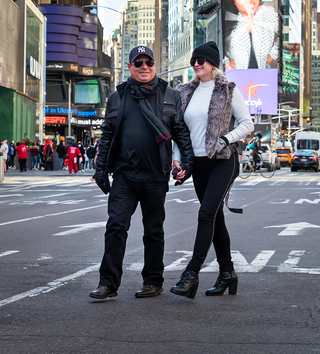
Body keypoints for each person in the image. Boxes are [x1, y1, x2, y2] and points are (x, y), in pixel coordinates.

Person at [89, 46, 194, 300]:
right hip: (124, 175)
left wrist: (187, 163)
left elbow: (180, 131)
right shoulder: (117, 97)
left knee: (154, 230)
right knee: (115, 226)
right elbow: (107, 135)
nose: (144, 66)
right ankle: (108, 283)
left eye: (149, 62)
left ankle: (153, 281)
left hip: (155, 174)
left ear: (155, 65)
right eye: (138, 62)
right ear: (130, 67)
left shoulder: (170, 95)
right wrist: (100, 170)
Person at [170, 41, 253, 299]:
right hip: (197, 163)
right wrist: (178, 159)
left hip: (222, 161)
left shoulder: (227, 90)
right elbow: (179, 131)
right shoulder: (184, 92)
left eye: (202, 60)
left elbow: (247, 123)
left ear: (213, 64)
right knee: (215, 218)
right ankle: (227, 272)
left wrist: (226, 140)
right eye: (194, 60)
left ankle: (191, 274)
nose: (196, 63)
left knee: (206, 213)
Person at [224, 0, 279, 70]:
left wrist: (272, 56)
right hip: (237, 79)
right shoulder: (228, 20)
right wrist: (226, 63)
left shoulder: (268, 13)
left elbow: (285, 39)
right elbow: (217, 51)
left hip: (265, 79)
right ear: (233, 0)